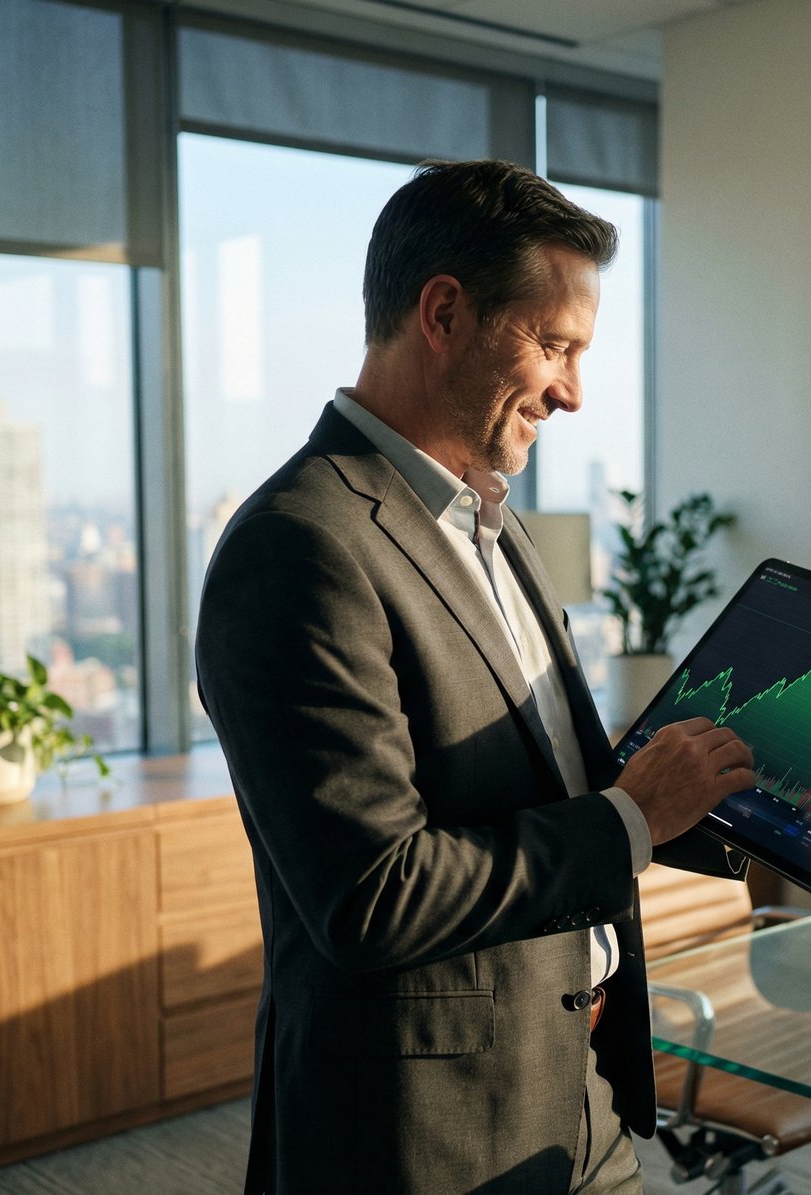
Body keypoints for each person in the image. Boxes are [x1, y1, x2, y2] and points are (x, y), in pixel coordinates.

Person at [195, 159, 757, 1195]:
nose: (572, 392)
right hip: (424, 1139)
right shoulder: (299, 546)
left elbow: (526, 786)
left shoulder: (488, 521)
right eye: (554, 344)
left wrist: (708, 797)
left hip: (572, 1090)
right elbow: (372, 894)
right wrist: (630, 820)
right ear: (445, 313)